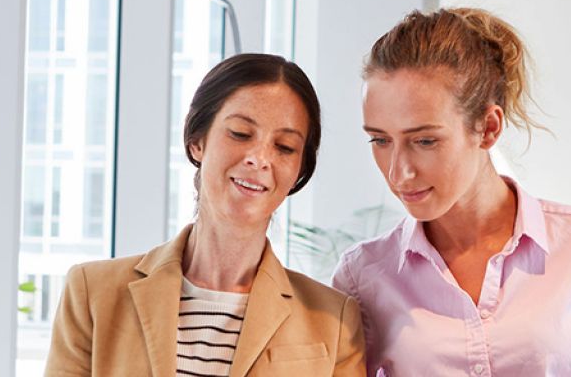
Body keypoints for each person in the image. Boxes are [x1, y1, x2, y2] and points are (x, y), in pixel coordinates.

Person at [330, 7, 571, 376]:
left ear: (488, 128)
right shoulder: (362, 276)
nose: (399, 172)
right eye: (380, 140)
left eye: (425, 141)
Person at [45, 54, 364, 377]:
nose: (259, 158)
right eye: (240, 133)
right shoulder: (92, 293)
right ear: (197, 141)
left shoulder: (334, 322)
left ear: (299, 170)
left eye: (284, 147)